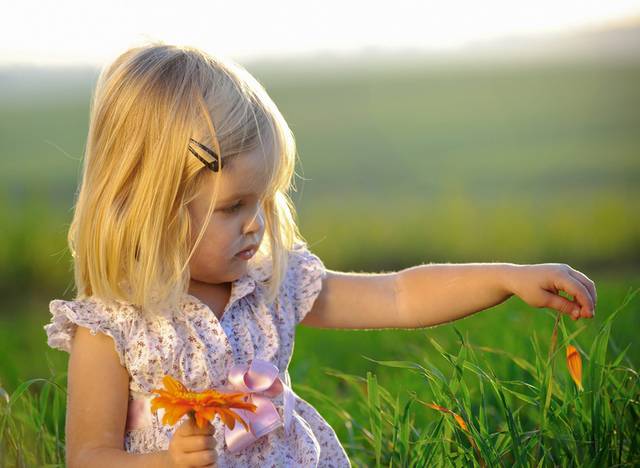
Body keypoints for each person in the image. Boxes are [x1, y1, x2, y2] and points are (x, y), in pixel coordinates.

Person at [43, 42, 597, 468]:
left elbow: (399, 295)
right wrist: (167, 460)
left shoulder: (269, 285)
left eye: (263, 199)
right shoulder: (113, 326)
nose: (257, 222)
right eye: (233, 205)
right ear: (151, 208)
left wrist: (505, 277)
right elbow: (88, 456)